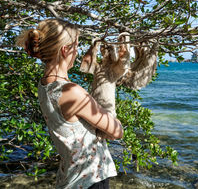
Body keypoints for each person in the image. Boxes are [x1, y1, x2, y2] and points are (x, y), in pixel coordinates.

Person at [16, 18, 124, 189]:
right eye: (76, 45)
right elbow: (117, 131)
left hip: (71, 177)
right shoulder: (71, 91)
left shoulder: (44, 84)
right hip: (90, 180)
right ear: (65, 50)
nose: (78, 51)